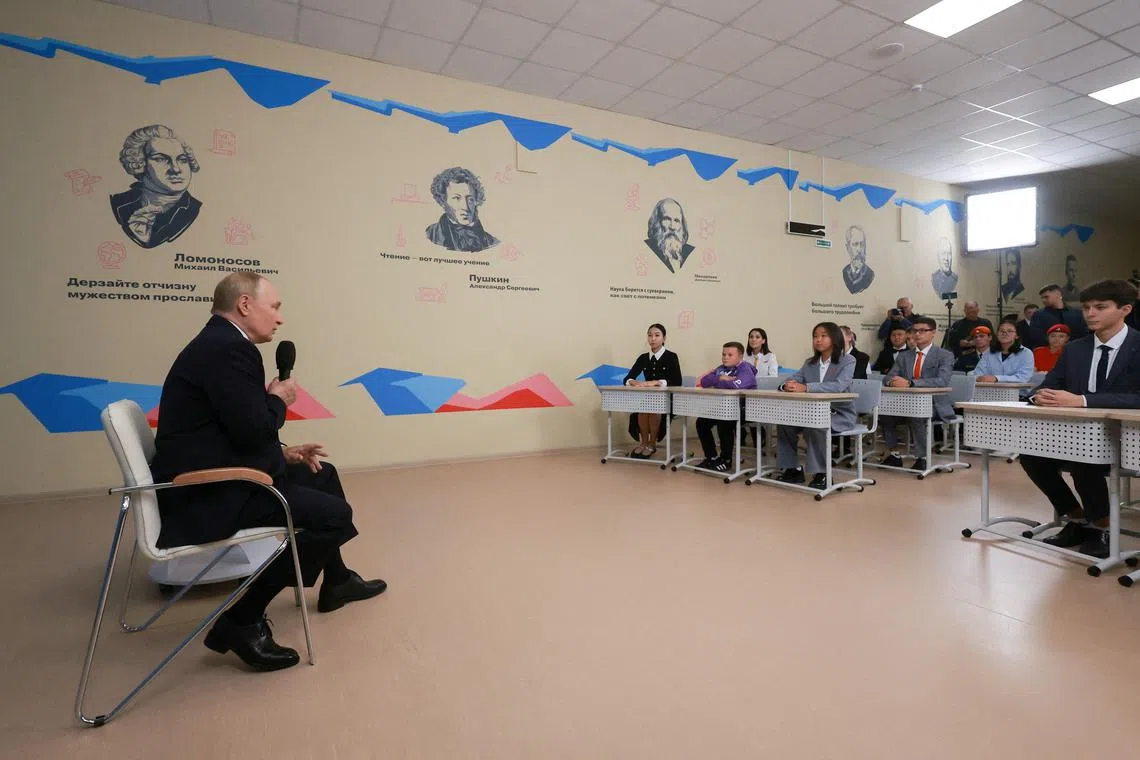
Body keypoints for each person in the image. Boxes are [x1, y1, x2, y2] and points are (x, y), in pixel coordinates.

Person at [149, 272, 387, 672]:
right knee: (334, 517)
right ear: (245, 305)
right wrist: (278, 399)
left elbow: (231, 431)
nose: (279, 319)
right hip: (210, 493)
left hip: (219, 471)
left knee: (322, 474)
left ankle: (338, 579)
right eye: (274, 307)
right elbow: (254, 427)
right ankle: (242, 620)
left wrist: (283, 454)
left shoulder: (219, 344)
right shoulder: (228, 350)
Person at [1022, 279, 1140, 558]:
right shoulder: (1076, 348)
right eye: (1086, 307)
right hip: (1082, 434)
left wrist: (1082, 400)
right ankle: (1076, 519)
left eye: (1100, 307)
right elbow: (1047, 385)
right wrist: (1041, 396)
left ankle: (1103, 526)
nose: (1090, 313)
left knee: (1083, 459)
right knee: (1030, 455)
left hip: (1128, 437)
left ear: (1125, 309)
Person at [774, 323, 856, 489]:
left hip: (838, 413)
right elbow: (795, 378)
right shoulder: (810, 363)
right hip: (810, 412)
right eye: (815, 336)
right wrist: (786, 386)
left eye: (823, 336)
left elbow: (839, 386)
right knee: (784, 423)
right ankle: (793, 469)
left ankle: (823, 474)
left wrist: (806, 388)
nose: (818, 340)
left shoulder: (847, 360)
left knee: (816, 426)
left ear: (835, 338)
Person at [881, 317, 955, 471]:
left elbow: (942, 380)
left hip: (935, 404)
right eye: (915, 330)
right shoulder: (904, 356)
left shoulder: (944, 355)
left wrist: (911, 383)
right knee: (884, 414)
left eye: (922, 330)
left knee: (916, 415)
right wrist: (892, 382)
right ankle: (894, 455)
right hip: (907, 403)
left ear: (933, 333)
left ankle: (922, 457)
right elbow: (888, 377)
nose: (917, 334)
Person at [110, 124, 202, 249]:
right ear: (139, 163)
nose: (175, 169)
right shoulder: (118, 202)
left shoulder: (196, 210)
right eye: (160, 159)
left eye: (182, 159)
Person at [623, 323, 683, 458]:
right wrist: (633, 382)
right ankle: (643, 442)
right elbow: (628, 378)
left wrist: (656, 382)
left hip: (668, 398)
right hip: (649, 397)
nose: (653, 339)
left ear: (664, 338)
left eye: (657, 335)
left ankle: (652, 443)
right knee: (644, 409)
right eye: (650, 335)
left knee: (653, 409)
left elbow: (677, 381)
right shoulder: (643, 358)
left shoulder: (671, 356)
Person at [695, 342, 757, 472]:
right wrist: (721, 378)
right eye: (723, 354)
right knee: (701, 422)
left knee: (724, 420)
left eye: (730, 355)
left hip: (746, 409)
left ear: (740, 357)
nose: (725, 357)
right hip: (724, 406)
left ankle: (726, 459)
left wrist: (717, 382)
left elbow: (735, 385)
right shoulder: (721, 369)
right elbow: (704, 382)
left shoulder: (746, 369)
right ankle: (711, 457)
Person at [425, 166, 499, 253]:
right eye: (457, 198)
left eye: (470, 199)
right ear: (443, 202)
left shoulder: (491, 242)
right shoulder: (431, 234)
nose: (465, 207)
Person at [744, 327, 778, 448]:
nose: (753, 339)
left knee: (753, 408)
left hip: (763, 394)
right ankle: (749, 437)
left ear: (763, 340)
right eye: (751, 337)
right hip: (747, 394)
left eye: (757, 337)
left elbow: (773, 378)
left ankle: (760, 440)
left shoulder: (770, 356)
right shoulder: (744, 357)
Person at [645, 198, 694, 273]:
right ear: (657, 222)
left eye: (676, 221)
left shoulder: (690, 252)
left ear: (682, 225)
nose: (672, 227)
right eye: (667, 219)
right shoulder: (647, 248)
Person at [841, 225, 875, 294]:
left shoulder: (870, 274)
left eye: (862, 244)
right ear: (848, 248)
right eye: (855, 244)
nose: (859, 249)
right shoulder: (844, 271)